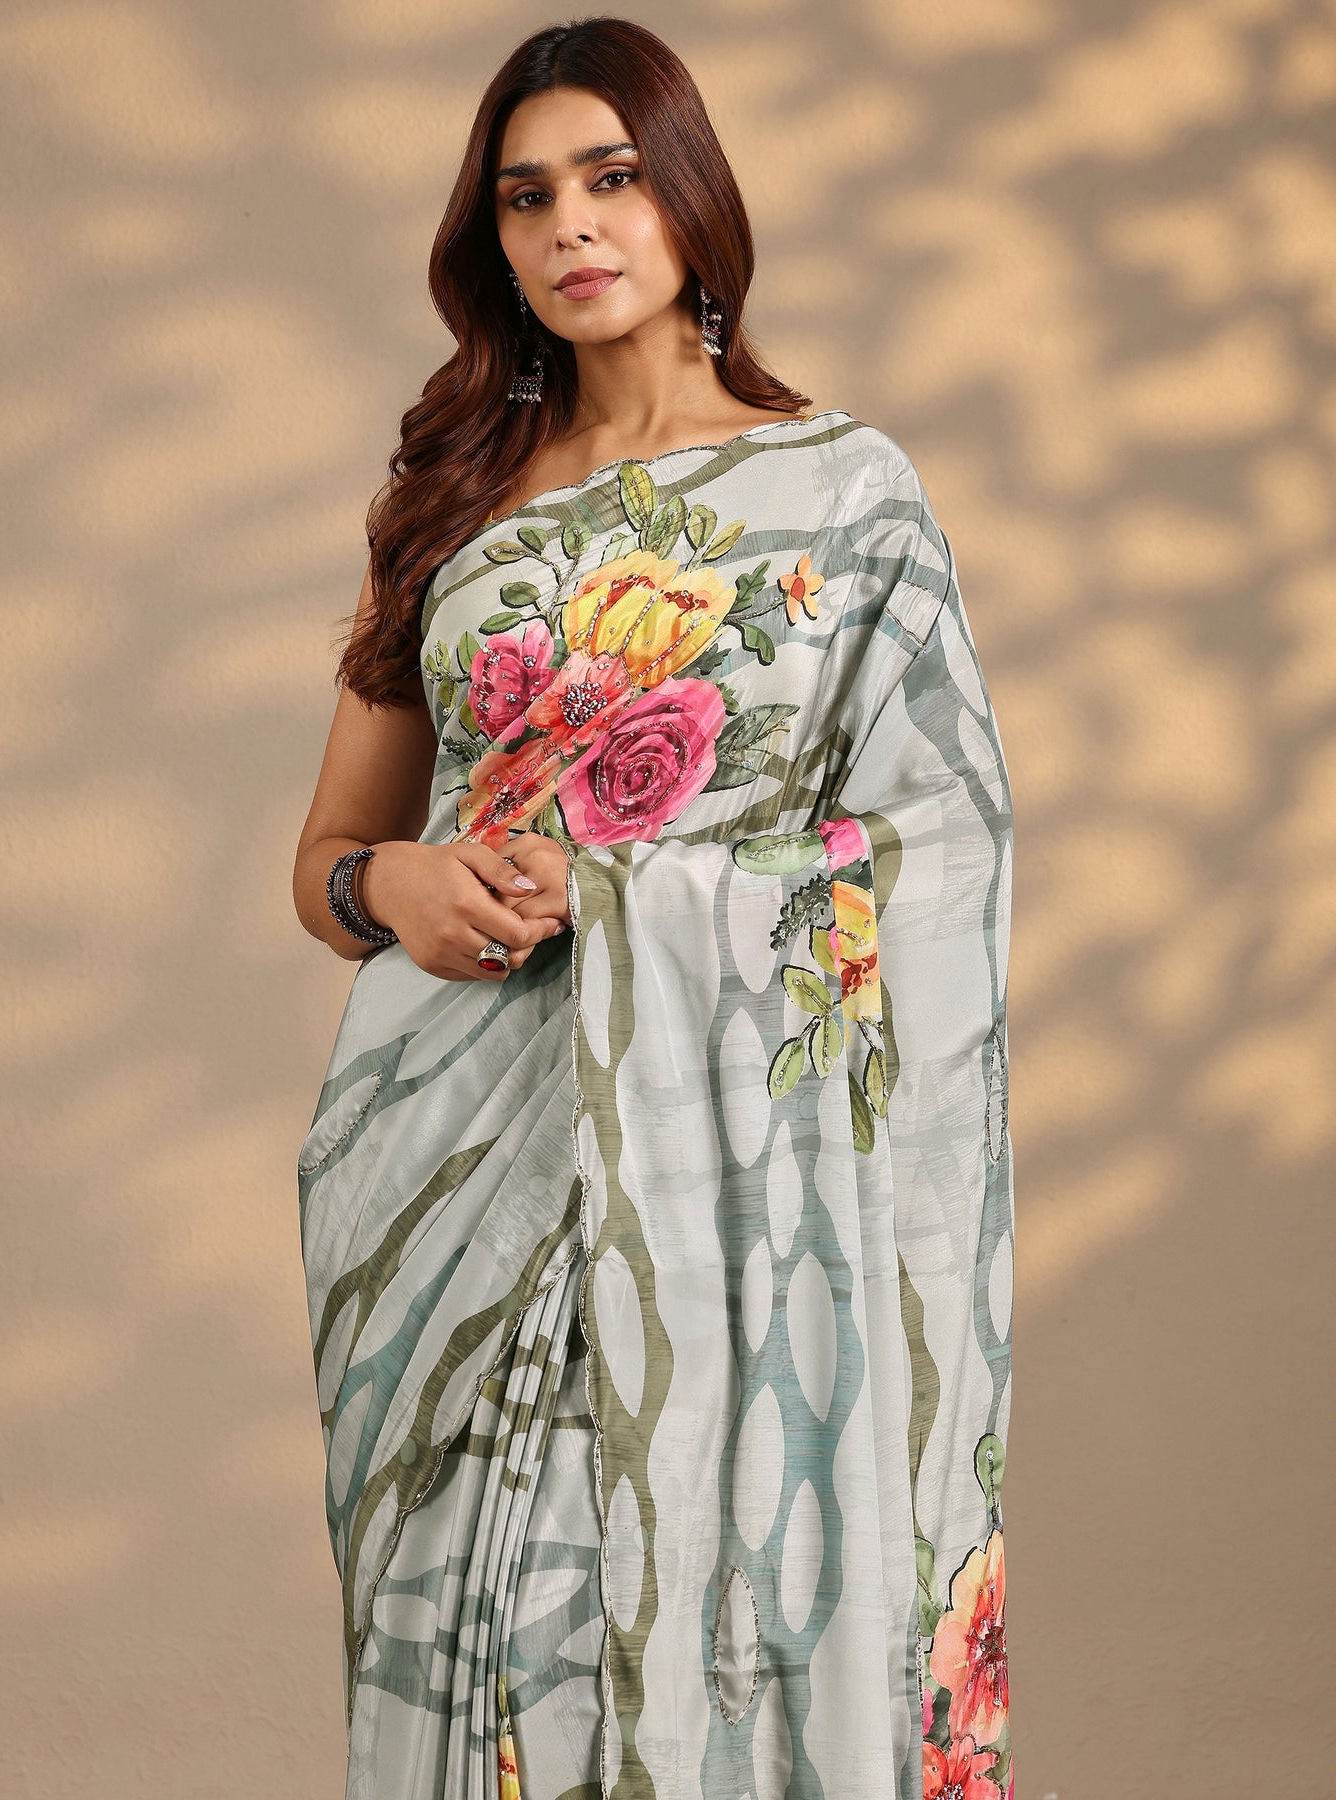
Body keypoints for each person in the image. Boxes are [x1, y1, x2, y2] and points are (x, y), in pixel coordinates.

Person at [292, 18, 1015, 1800]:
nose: (571, 225)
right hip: (445, 1154)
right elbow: (329, 858)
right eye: (525, 195)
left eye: (612, 178)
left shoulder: (841, 495)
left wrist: (629, 897)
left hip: (721, 1161)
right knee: (480, 1636)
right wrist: (393, 883)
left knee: (686, 1597)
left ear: (691, 199)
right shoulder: (444, 504)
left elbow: (941, 842)